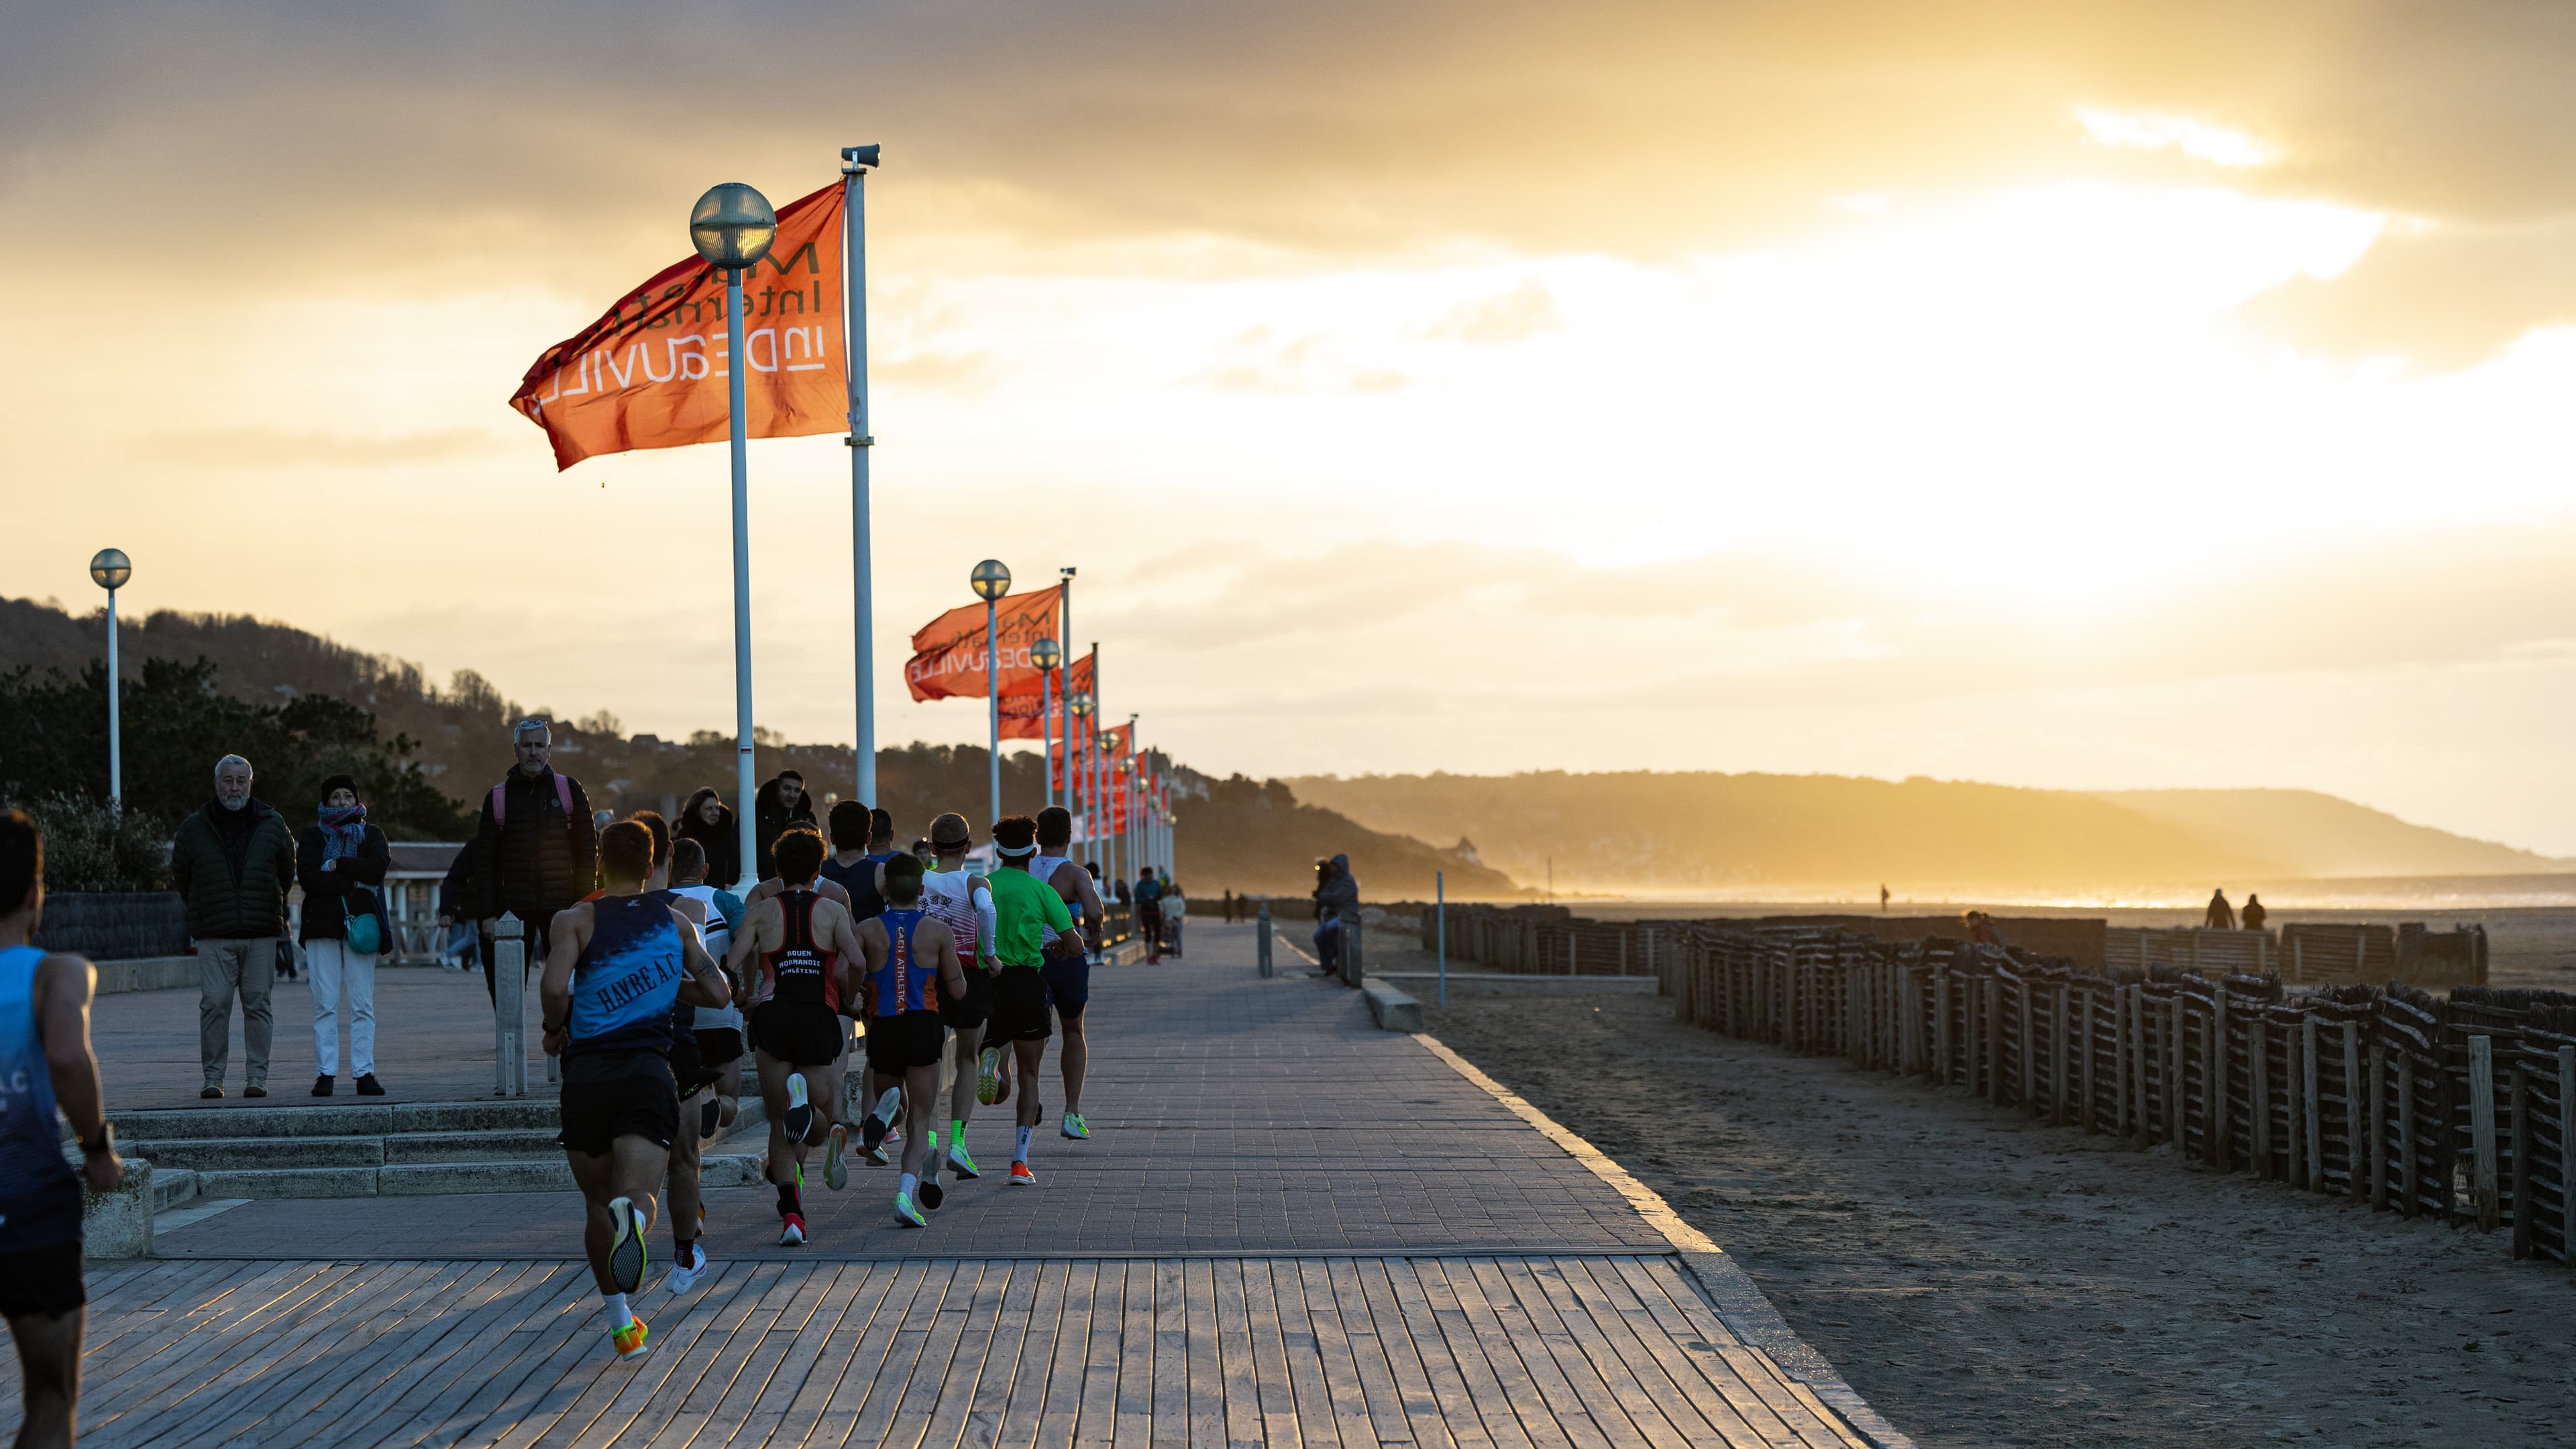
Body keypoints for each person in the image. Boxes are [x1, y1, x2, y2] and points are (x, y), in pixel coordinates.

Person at [539, 820, 728, 1361]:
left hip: (586, 1077)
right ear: (652, 867)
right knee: (637, 1196)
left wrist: (556, 1029)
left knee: (597, 1203)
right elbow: (718, 991)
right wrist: (669, 979)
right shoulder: (676, 924)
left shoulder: (575, 920)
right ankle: (638, 1224)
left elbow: (554, 986)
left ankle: (622, 1324)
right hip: (647, 1073)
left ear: (600, 863)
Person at [1, 809, 124, 1447]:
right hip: (26, 1214)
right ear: (33, 892)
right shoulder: (57, 972)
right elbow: (68, 1056)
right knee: (50, 1398)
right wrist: (97, 1150)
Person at [723, 827, 869, 1246]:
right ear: (819, 867)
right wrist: (851, 996)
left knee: (779, 1121)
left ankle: (792, 1216)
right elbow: (856, 959)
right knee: (820, 1128)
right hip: (817, 1017)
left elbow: (730, 963)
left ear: (777, 870)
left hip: (772, 1018)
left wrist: (742, 999)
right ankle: (807, 1109)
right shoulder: (833, 909)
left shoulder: (761, 911)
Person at [168, 753, 297, 1099]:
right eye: (228, 780)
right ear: (217, 783)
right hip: (213, 933)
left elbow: (287, 873)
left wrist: (268, 906)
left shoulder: (273, 823)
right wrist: (204, 909)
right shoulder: (194, 827)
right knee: (214, 1004)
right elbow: (182, 875)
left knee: (258, 1004)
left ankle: (257, 1078)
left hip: (260, 931)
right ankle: (214, 1078)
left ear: (251, 783)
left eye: (242, 780)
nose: (235, 787)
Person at [853, 853, 965, 1226]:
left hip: (884, 1025)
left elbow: (846, 972)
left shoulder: (866, 930)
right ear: (921, 890)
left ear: (885, 889)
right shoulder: (938, 932)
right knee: (920, 1118)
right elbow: (959, 989)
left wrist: (861, 992)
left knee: (896, 1106)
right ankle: (904, 1195)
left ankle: (885, 1114)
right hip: (923, 1025)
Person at [470, 718, 596, 1011]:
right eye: (527, 745)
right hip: (512, 909)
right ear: (516, 749)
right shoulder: (498, 797)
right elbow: (484, 860)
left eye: (540, 745)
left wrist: (583, 904)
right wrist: (488, 914)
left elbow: (588, 853)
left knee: (570, 987)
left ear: (550, 750)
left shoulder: (570, 791)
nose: (533, 752)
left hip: (563, 908)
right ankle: (511, 1050)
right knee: (508, 991)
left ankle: (567, 1045)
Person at [984, 815, 1081, 1187]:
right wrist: (1058, 945)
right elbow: (1075, 944)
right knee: (1031, 1075)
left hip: (989, 981)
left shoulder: (985, 886)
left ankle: (993, 1067)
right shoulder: (1043, 892)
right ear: (1033, 851)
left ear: (998, 852)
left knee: (999, 1075)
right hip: (1027, 981)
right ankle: (1019, 1162)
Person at [910, 813, 996, 1187]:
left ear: (930, 847)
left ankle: (929, 1142)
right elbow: (987, 909)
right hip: (966, 975)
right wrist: (990, 954)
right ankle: (958, 1143)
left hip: (925, 977)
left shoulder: (919, 879)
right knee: (967, 1058)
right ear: (966, 846)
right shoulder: (976, 881)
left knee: (927, 1064)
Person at [297, 773, 392, 1097]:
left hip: (361, 928)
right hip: (320, 927)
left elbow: (378, 867)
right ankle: (326, 1073)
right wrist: (353, 878)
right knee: (325, 1003)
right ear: (325, 803)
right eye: (335, 797)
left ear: (356, 800)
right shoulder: (311, 837)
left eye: (347, 796)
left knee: (362, 1003)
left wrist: (337, 865)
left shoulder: (372, 833)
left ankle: (365, 1072)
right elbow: (309, 879)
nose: (341, 802)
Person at [1030, 808, 1106, 1139]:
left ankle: (1030, 1100)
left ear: (1036, 837)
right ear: (1069, 836)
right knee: (1073, 1031)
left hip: (1029, 959)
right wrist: (1088, 938)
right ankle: (1071, 1113)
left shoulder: (1019, 870)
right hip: (1065, 959)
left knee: (1033, 1034)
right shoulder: (1076, 874)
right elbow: (1094, 912)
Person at [752, 771, 818, 882]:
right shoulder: (757, 815)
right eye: (787, 788)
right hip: (762, 882)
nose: (792, 795)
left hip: (799, 885)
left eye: (797, 790)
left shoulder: (808, 818)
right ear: (777, 789)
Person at [676, 788, 741, 892]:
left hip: (726, 892)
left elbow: (736, 863)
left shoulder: (727, 834)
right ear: (697, 811)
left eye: (717, 808)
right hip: (695, 892)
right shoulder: (686, 835)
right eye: (709, 809)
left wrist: (731, 884)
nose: (715, 813)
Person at [1314, 854, 1360, 979]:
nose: (1332, 868)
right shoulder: (1333, 881)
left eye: (1334, 866)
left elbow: (1336, 898)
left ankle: (1337, 953)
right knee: (1318, 936)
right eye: (1331, 866)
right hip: (1334, 915)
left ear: (1341, 866)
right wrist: (1326, 897)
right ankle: (1328, 965)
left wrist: (1325, 897)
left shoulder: (1348, 882)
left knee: (1328, 930)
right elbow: (1324, 895)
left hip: (1347, 916)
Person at [1133, 867, 1164, 965]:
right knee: (1148, 933)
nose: (1150, 877)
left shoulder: (1156, 883)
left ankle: (1155, 955)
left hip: (1155, 910)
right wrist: (1146, 899)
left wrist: (1154, 898)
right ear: (1144, 876)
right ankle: (1148, 956)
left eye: (1151, 875)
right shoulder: (1140, 885)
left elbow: (1161, 895)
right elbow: (1137, 899)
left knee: (1158, 933)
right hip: (1145, 910)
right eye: (1148, 875)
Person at [1162, 880, 1187, 959]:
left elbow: (1182, 909)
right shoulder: (1165, 900)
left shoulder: (1179, 900)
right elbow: (1163, 909)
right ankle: (1173, 950)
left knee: (1178, 936)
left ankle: (1179, 950)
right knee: (1172, 937)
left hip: (1177, 920)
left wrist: (1177, 916)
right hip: (1169, 920)